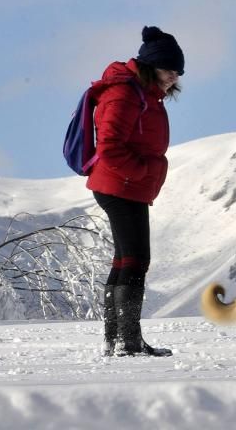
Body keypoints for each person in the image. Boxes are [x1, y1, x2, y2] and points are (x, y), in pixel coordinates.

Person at [87, 25, 184, 357]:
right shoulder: (125, 93)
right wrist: (142, 171)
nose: (174, 76)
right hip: (121, 184)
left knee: (126, 259)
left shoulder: (143, 93)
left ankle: (116, 340)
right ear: (149, 65)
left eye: (178, 71)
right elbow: (109, 146)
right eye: (168, 69)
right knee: (136, 260)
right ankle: (128, 342)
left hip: (127, 185)